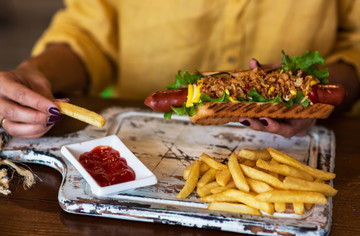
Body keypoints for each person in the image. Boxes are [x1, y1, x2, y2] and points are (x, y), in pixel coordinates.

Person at [0, 0, 359, 139]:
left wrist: (315, 94)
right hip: (145, 142)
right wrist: (36, 73)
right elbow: (90, 32)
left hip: (311, 142)